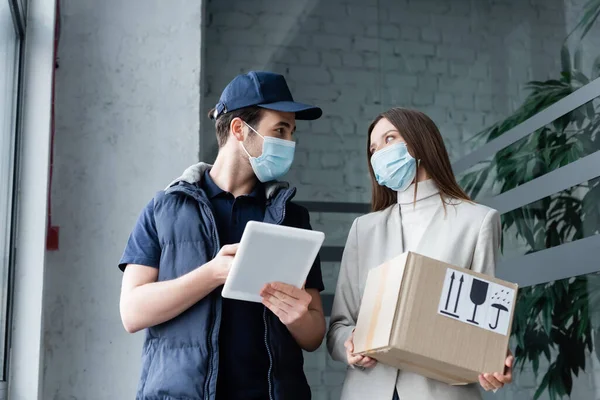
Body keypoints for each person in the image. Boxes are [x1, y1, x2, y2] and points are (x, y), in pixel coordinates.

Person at [118, 71, 326, 400]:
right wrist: (213, 274)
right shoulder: (164, 208)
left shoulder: (291, 216)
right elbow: (132, 312)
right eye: (280, 130)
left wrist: (299, 317)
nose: (289, 142)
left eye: (292, 132)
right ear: (240, 129)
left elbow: (313, 335)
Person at [326, 107, 513, 400]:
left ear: (421, 141)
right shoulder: (364, 229)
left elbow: (481, 324)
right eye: (373, 149)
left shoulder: (477, 222)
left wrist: (493, 359)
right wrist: (349, 344)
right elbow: (339, 325)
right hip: (368, 390)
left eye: (389, 139)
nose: (379, 154)